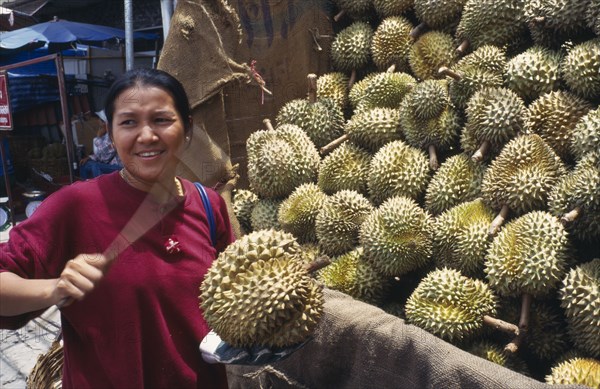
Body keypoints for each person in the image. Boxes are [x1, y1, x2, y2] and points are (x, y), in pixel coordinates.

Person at [0, 68, 235, 388]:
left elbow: (235, 298)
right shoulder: (76, 206)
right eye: (128, 123)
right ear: (110, 135)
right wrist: (53, 289)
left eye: (162, 120)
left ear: (188, 128)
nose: (147, 135)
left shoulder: (209, 206)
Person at [78, 110, 123, 179]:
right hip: (107, 165)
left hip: (117, 166)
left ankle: (101, 187)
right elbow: (99, 154)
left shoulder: (113, 135)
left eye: (100, 119)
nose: (98, 121)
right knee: (84, 165)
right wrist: (89, 158)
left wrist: (98, 137)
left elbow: (104, 157)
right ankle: (86, 186)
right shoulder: (105, 135)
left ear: (105, 123)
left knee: (95, 166)